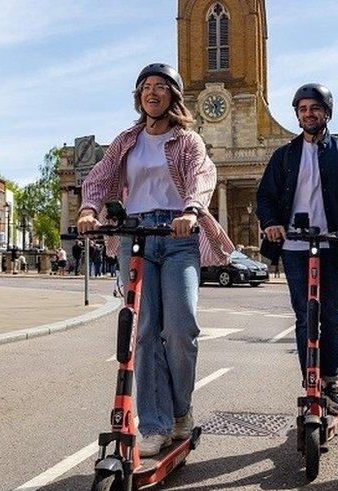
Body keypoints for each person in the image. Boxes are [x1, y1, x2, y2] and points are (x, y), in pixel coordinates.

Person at [77, 63, 234, 457]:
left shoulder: (188, 141)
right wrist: (89, 209)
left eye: (161, 87)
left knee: (180, 330)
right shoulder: (127, 140)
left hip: (178, 236)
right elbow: (97, 178)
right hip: (136, 237)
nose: (152, 93)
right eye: (146, 87)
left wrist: (192, 211)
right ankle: (155, 424)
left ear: (173, 97)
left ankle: (181, 410)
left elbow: (202, 177)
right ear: (139, 97)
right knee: (144, 333)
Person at [257, 83, 338, 416]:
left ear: (327, 112)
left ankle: (330, 383)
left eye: (315, 108)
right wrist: (271, 223)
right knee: (304, 316)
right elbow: (265, 197)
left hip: (335, 244)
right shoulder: (284, 156)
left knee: (332, 317)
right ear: (297, 115)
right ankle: (310, 381)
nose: (308, 114)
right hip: (295, 246)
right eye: (302, 109)